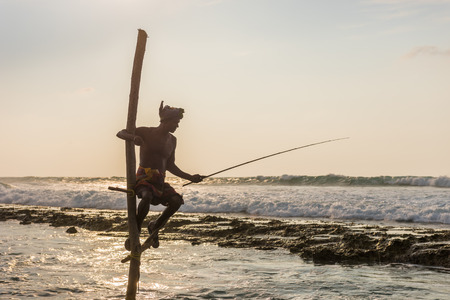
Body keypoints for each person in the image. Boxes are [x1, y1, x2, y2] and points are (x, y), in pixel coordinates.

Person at [117, 101, 203, 249]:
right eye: (176, 122)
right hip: (144, 177)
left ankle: (155, 226)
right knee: (147, 196)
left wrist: (191, 177)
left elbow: (171, 166)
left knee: (176, 201)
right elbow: (121, 133)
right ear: (166, 121)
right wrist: (133, 138)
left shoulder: (173, 140)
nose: (177, 126)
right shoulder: (146, 132)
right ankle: (135, 230)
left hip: (160, 181)